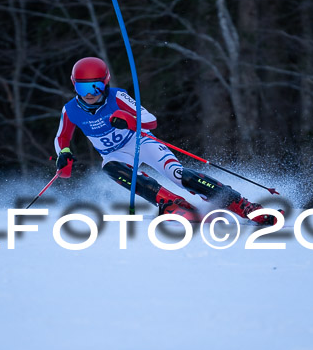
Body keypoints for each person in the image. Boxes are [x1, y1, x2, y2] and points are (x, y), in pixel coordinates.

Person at [53, 56, 279, 224]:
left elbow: (151, 121)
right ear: (74, 85)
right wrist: (63, 154)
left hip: (142, 143)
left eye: (96, 86)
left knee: (181, 175)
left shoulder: (117, 97)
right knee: (110, 167)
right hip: (115, 154)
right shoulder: (70, 110)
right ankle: (171, 203)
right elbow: (62, 137)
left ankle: (243, 205)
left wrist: (130, 120)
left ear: (106, 83)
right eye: (83, 87)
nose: (90, 93)